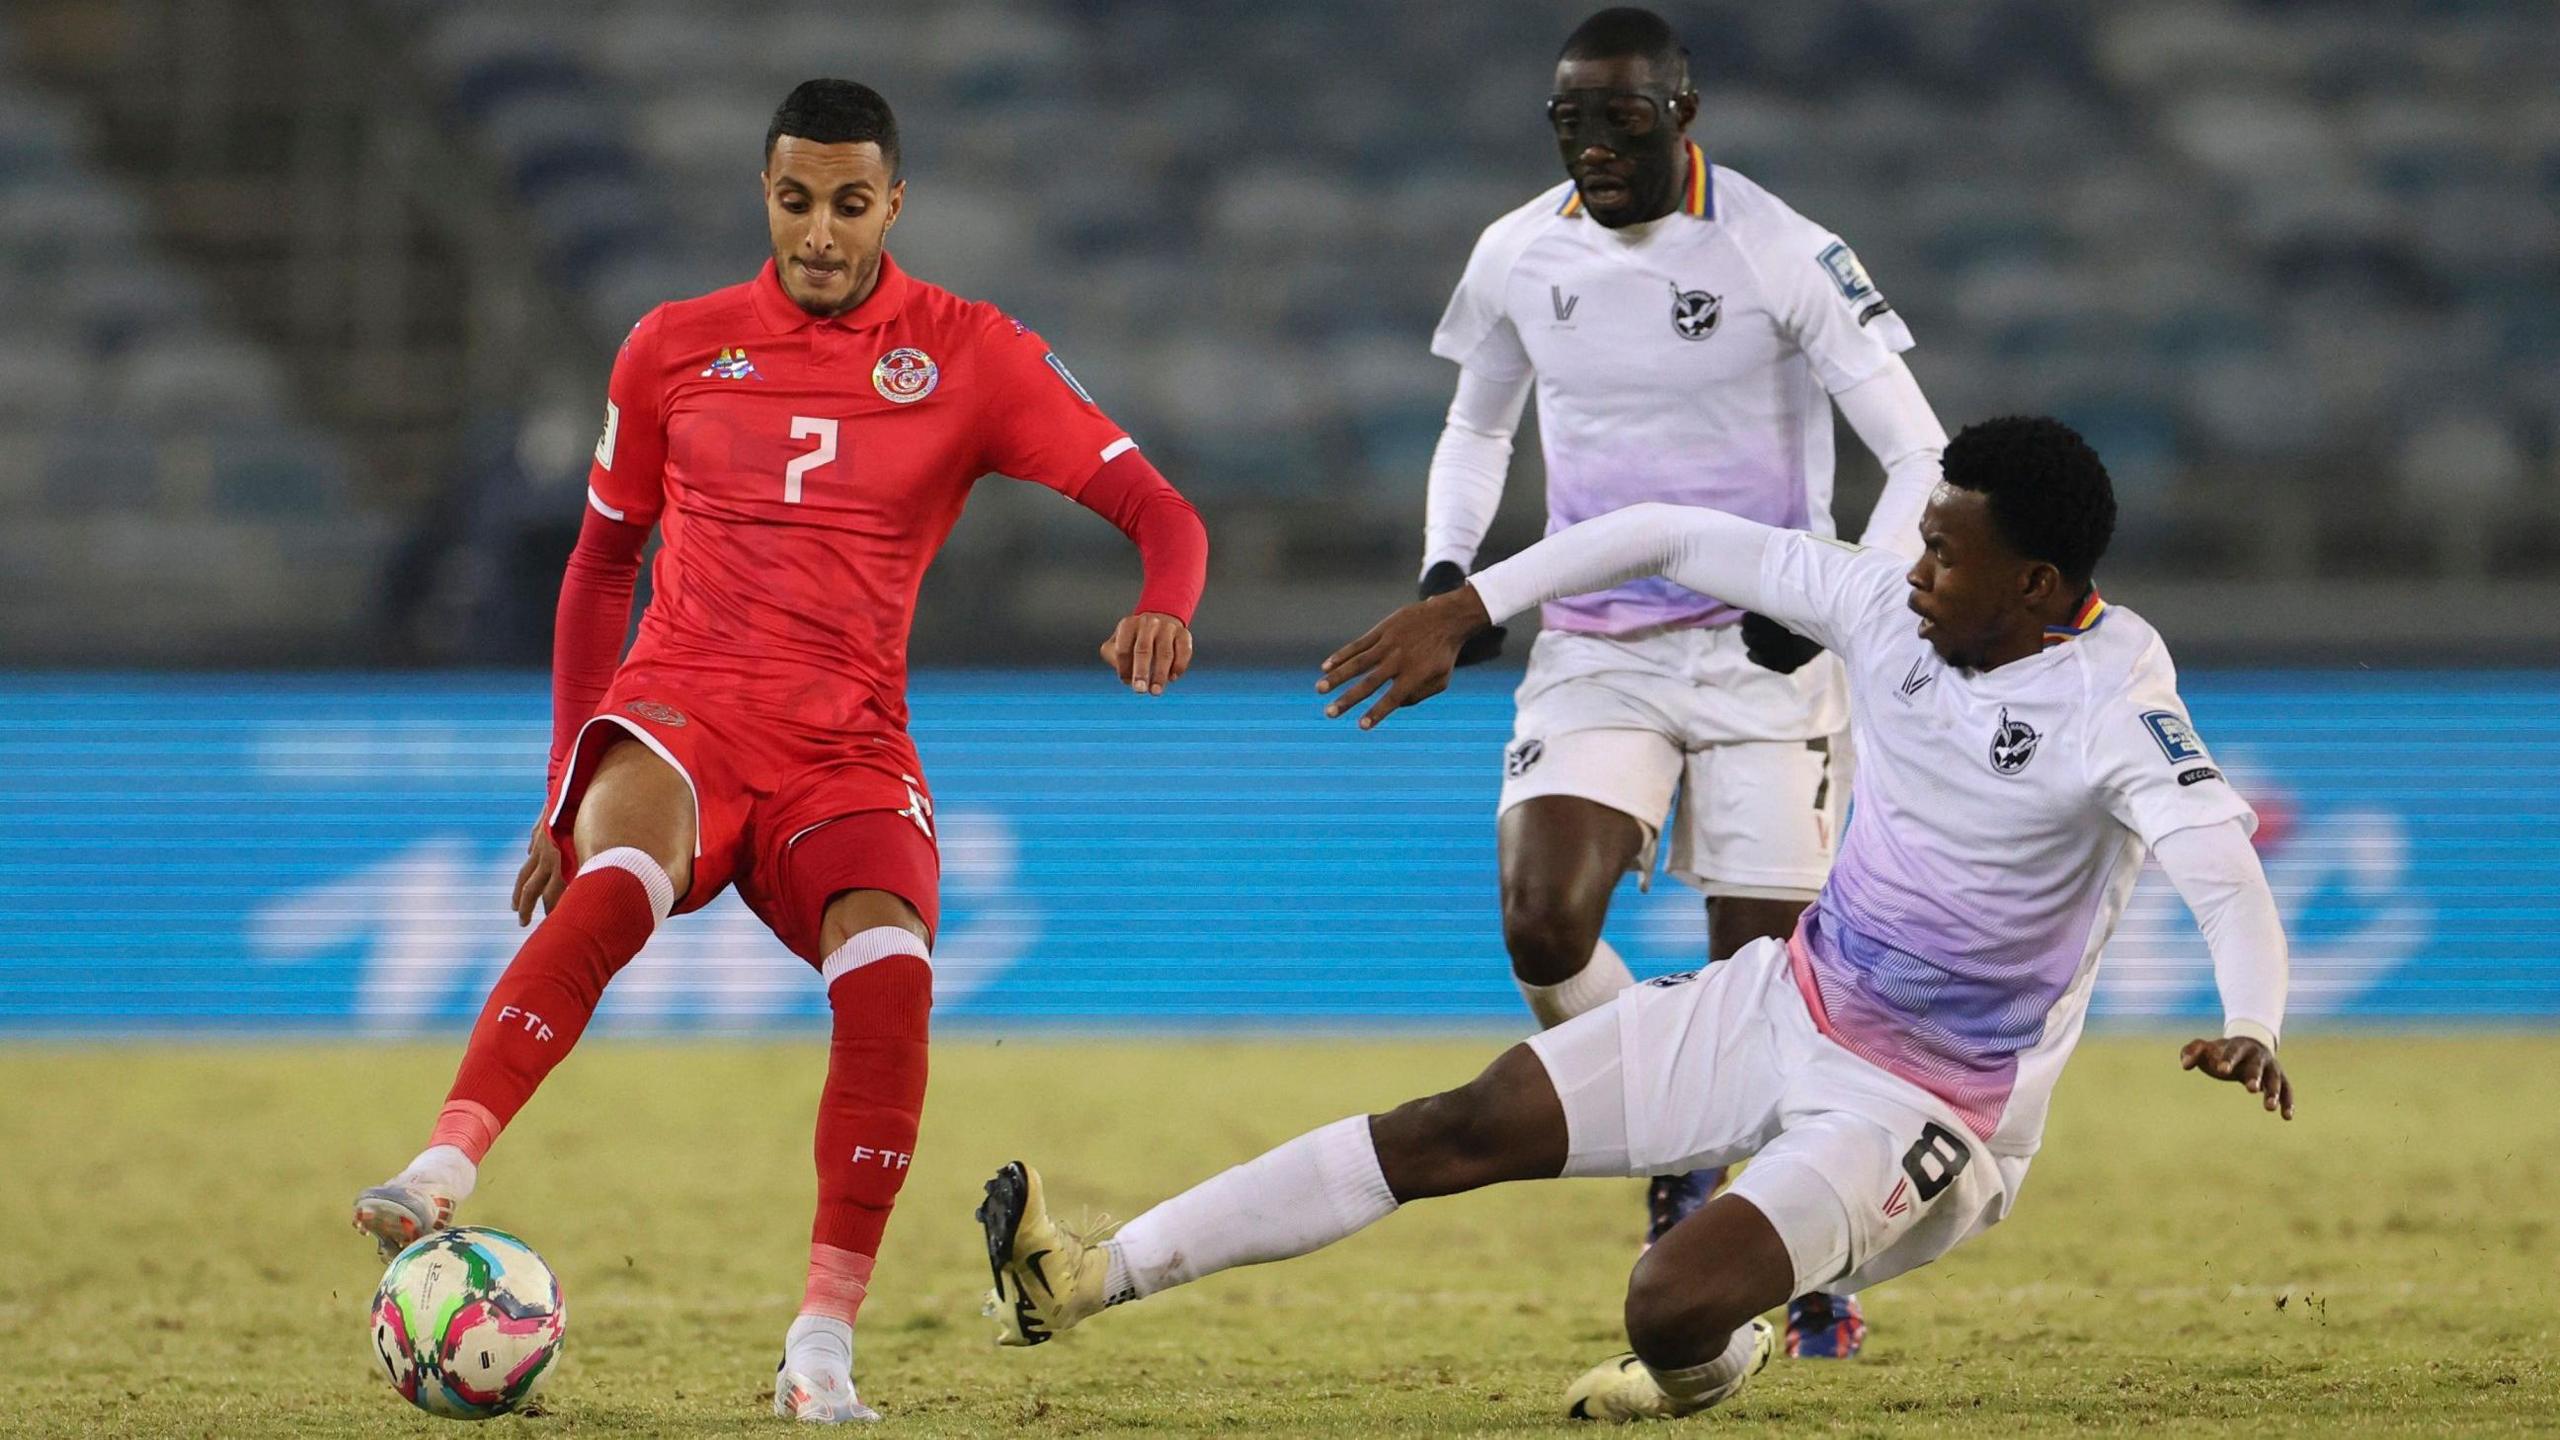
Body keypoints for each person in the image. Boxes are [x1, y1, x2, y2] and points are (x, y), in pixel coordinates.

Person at [977, 418, 2291, 1422]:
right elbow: (1665, 530)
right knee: (1460, 1125)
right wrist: (1468, 605)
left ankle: (1721, 1359)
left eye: (1948, 552)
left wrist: (2251, 1021)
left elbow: (2218, 860)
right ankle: (1087, 1278)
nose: (1917, 570)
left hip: (1932, 1109)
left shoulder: (2117, 704)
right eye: (1923, 539)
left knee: (1667, 1308)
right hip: (1789, 1000)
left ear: (2037, 582)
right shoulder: (1890, 610)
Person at [351, 79, 1208, 1423]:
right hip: (686, 704)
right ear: (766, 192)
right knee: (616, 875)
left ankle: (822, 1342)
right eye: (797, 200)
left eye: (849, 205)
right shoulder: (672, 348)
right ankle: (441, 1169)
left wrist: (1166, 601)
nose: (820, 233)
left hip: (850, 741)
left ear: (893, 205)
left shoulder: (970, 352)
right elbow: (599, 569)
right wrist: (565, 778)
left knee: (892, 979)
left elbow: (1158, 507)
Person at [1415, 6, 1950, 1352]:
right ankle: (1669, 1130)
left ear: (1684, 113)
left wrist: (1834, 612)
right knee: (1542, 924)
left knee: (1769, 982)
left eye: (1623, 120)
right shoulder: (1517, 252)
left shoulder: (1782, 249)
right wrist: (1447, 568)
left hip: (1764, 651)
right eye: (1570, 123)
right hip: (1595, 641)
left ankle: (1798, 1252)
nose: (1594, 147)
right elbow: (1478, 420)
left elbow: (1921, 456)